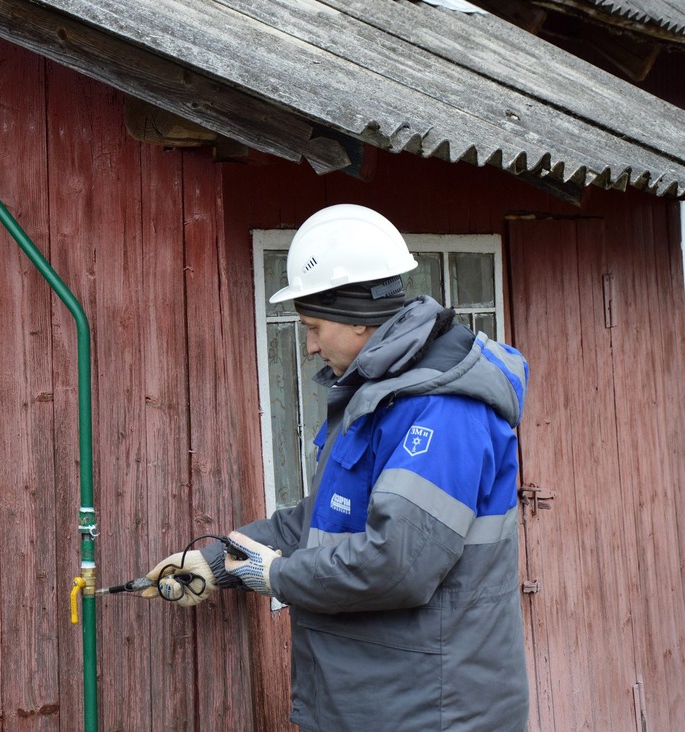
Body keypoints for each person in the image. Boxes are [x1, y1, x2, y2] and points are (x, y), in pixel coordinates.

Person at [143, 204, 530, 731]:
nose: (309, 345)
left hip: (433, 712)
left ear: (358, 317)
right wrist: (214, 561)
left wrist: (276, 576)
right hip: (374, 702)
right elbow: (320, 519)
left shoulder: (443, 409)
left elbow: (399, 565)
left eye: (314, 326)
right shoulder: (382, 396)